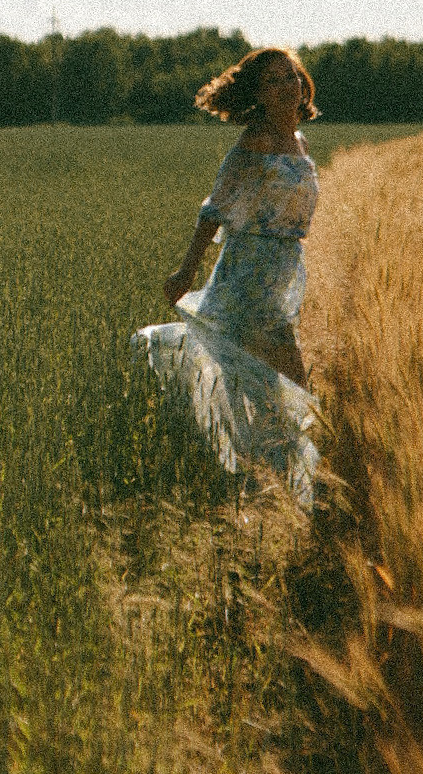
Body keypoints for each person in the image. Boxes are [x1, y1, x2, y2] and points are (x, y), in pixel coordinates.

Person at [133, 48, 321, 507]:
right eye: (274, 80)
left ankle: (268, 493)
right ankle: (292, 495)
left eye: (291, 76)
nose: (287, 86)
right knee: (287, 389)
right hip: (249, 276)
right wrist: (188, 266)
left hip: (281, 274)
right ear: (258, 94)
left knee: (269, 391)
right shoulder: (254, 141)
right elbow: (214, 208)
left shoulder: (299, 142)